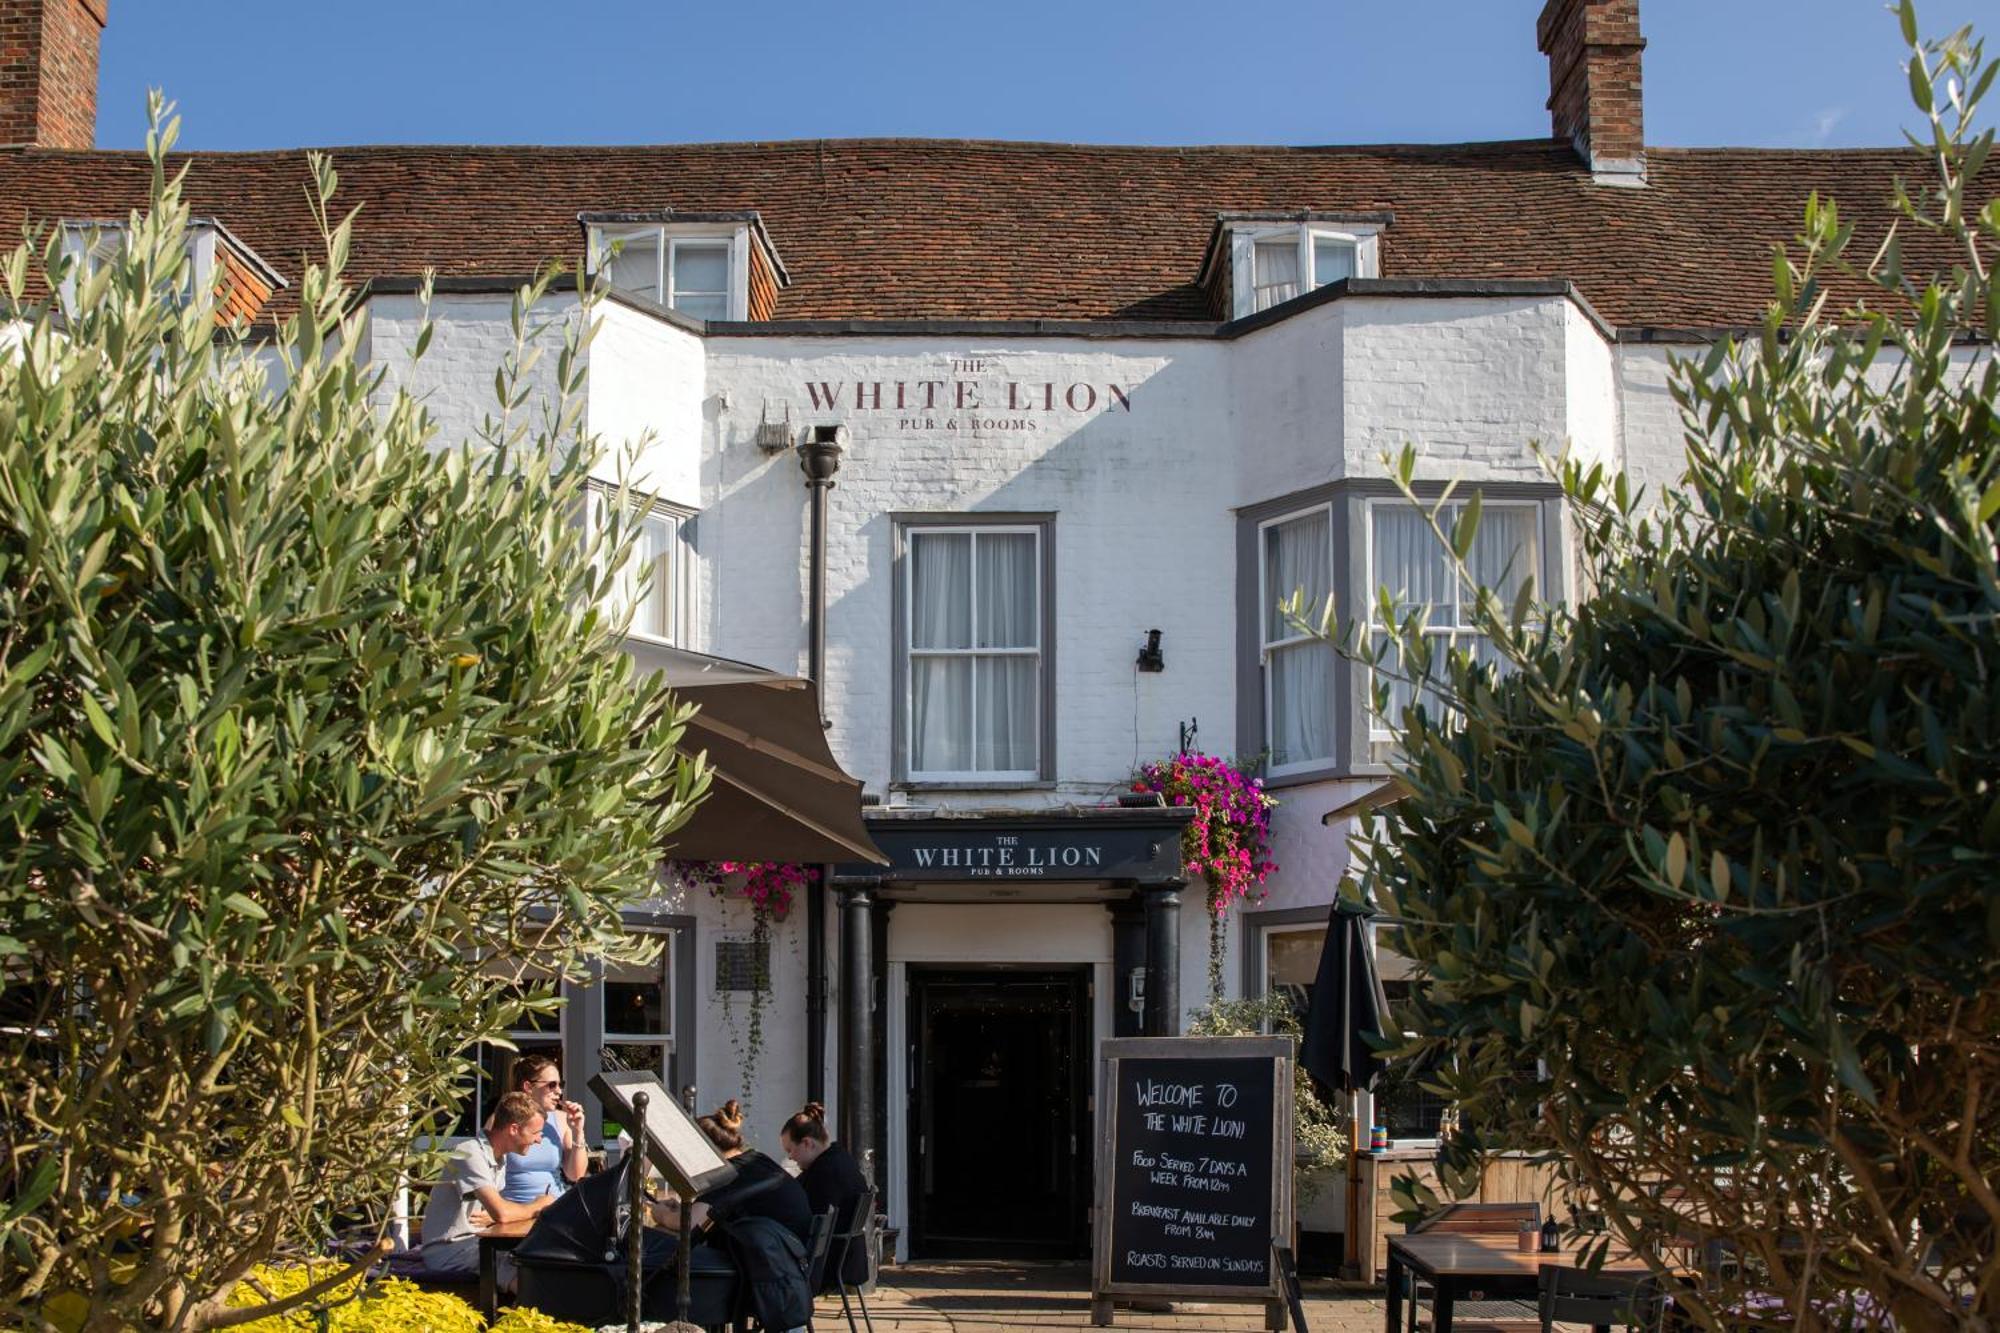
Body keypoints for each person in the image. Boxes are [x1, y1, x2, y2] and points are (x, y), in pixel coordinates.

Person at [420, 1092, 558, 1282]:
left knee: (537, 1257)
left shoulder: (499, 1156)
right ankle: (535, 1309)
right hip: (450, 1250)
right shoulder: (470, 1153)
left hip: (475, 1241)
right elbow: (503, 1213)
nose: (538, 1140)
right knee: (518, 1269)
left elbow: (497, 1211)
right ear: (514, 1129)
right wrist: (538, 1206)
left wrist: (494, 1213)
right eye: (535, 1133)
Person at [652, 1098, 814, 1244]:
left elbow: (689, 1224)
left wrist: (662, 1215)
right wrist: (682, 1210)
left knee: (656, 1251)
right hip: (785, 1256)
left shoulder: (727, 1173)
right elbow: (706, 1213)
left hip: (771, 1264)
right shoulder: (754, 1160)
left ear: (704, 1150)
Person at [779, 1101, 870, 1290]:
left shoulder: (826, 1173)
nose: (790, 1157)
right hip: (847, 1257)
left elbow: (808, 1220)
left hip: (828, 1262)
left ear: (807, 1143)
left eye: (790, 1150)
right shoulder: (837, 1159)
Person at [499, 1053, 587, 1204]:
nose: (559, 1091)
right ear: (528, 1087)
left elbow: (575, 1175)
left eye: (561, 1084)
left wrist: (578, 1131)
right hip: (515, 1210)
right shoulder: (504, 1119)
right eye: (552, 1085)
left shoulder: (560, 1119)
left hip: (554, 1207)